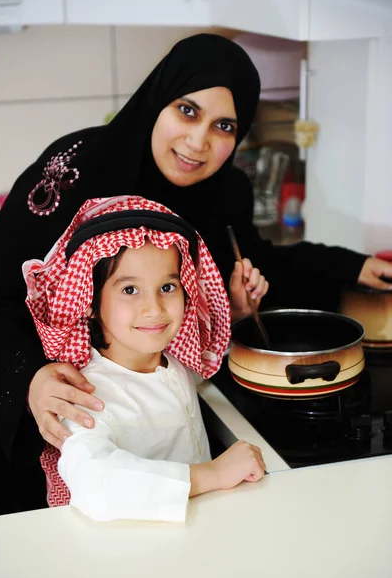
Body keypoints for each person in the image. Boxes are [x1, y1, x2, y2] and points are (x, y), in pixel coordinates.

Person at [0, 32, 392, 514]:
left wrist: (352, 267)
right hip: (53, 412)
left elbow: (259, 260)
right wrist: (31, 380)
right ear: (159, 99)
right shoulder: (78, 169)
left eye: (224, 125)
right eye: (187, 110)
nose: (199, 141)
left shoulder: (226, 192)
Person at [22, 196, 266, 521]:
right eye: (129, 290)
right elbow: (96, 484)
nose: (154, 309)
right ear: (90, 302)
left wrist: (236, 312)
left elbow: (201, 360)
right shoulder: (86, 398)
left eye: (167, 287)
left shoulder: (171, 361)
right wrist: (213, 473)